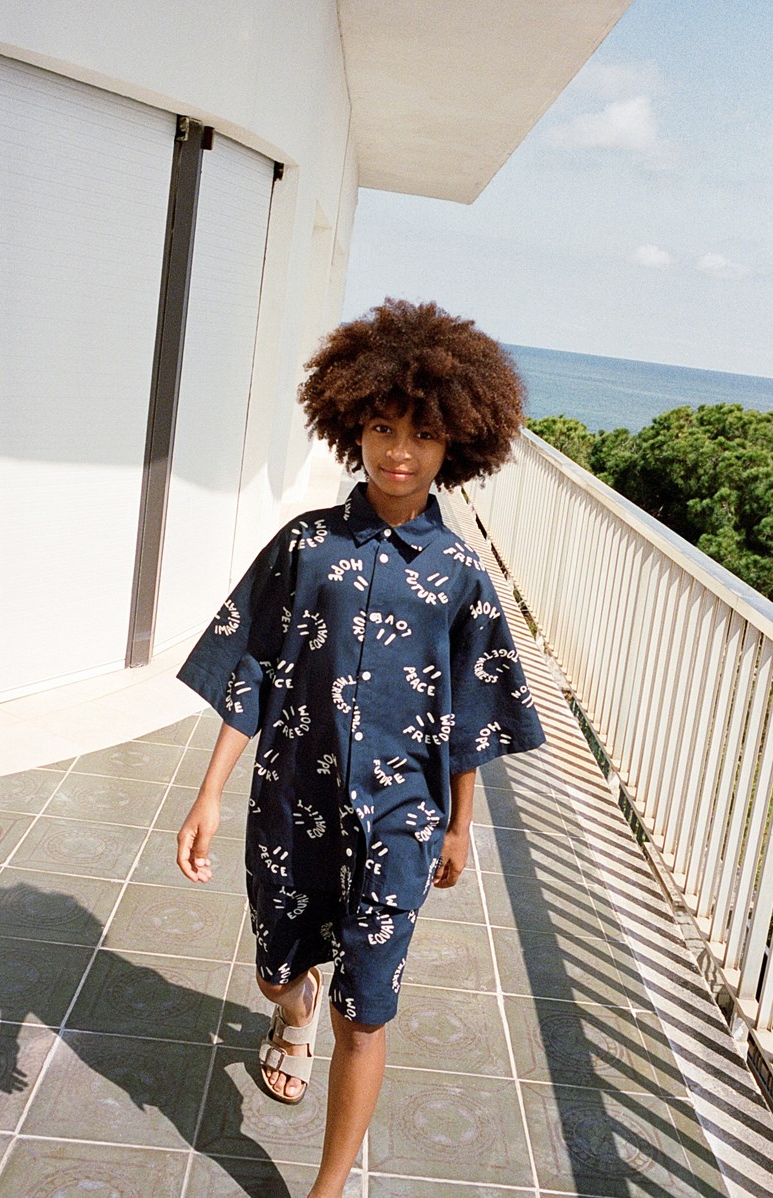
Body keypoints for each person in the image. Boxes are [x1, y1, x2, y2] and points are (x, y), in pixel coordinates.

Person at [175, 297, 545, 1198]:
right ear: (353, 424)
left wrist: (460, 828)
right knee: (278, 971)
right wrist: (211, 793)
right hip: (289, 810)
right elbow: (253, 667)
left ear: (454, 443)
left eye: (420, 433)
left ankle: (329, 1187)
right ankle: (287, 1009)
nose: (398, 452)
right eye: (382, 427)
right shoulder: (304, 548)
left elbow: (467, 714)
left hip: (400, 822)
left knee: (366, 1012)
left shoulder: (461, 579)